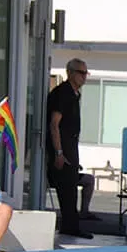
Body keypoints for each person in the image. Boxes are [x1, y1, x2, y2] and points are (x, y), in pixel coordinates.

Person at [46, 58, 93, 239]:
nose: (84, 77)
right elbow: (54, 124)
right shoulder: (63, 93)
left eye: (85, 73)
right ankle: (70, 226)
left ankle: (72, 225)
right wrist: (58, 152)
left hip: (71, 147)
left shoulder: (74, 94)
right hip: (62, 149)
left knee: (71, 187)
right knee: (67, 189)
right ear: (71, 73)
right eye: (81, 73)